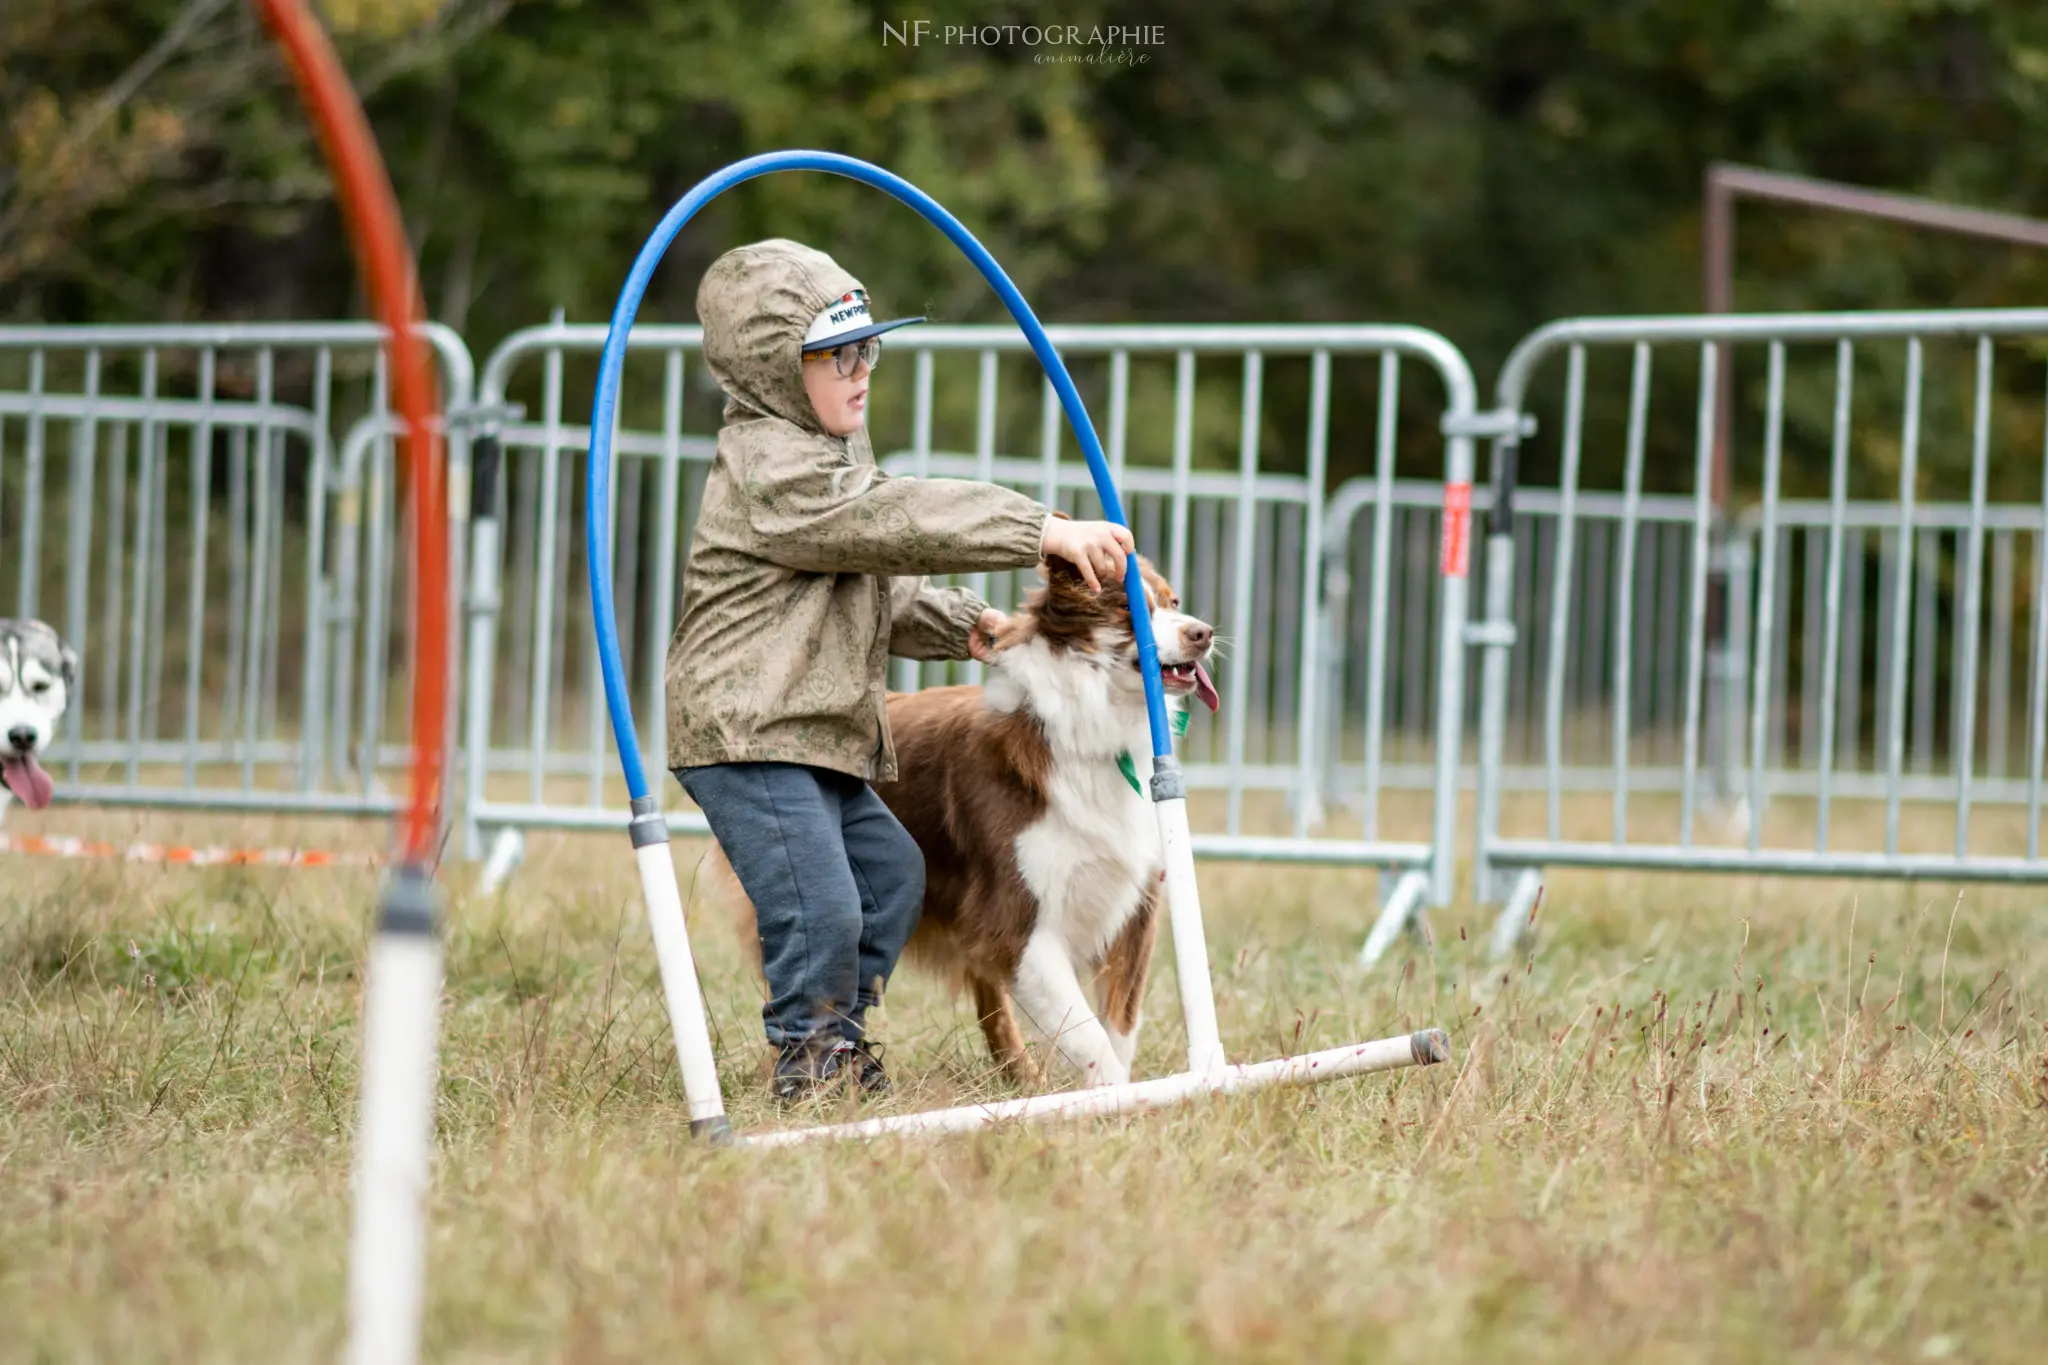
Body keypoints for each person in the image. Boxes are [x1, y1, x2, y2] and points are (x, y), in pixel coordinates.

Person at [666, 238, 1134, 1102]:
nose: (861, 369)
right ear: (774, 369)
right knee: (824, 903)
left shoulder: (832, 465)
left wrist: (969, 624)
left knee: (892, 875)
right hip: (748, 733)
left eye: (868, 348)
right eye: (835, 354)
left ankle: (836, 1039)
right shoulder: (775, 470)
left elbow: (871, 589)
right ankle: (808, 1057)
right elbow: (893, 519)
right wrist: (1040, 530)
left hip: (814, 732)